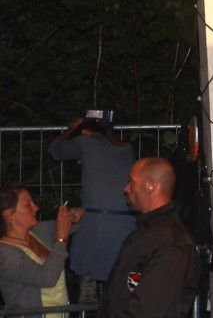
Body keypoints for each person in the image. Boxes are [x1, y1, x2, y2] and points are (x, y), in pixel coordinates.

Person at [48, 113, 136, 303]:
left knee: (85, 238)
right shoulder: (126, 147)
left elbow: (55, 150)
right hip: (127, 223)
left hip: (97, 226)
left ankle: (88, 281)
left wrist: (70, 132)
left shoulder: (86, 142)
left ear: (86, 132)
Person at [99, 157, 198, 318]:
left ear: (151, 185)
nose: (125, 188)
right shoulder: (145, 233)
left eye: (131, 182)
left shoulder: (172, 242)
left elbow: (148, 311)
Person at [0, 184, 84, 318]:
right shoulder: (5, 253)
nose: (36, 208)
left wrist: (79, 213)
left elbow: (79, 224)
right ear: (9, 214)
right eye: (28, 205)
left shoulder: (40, 232)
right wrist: (61, 239)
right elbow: (47, 278)